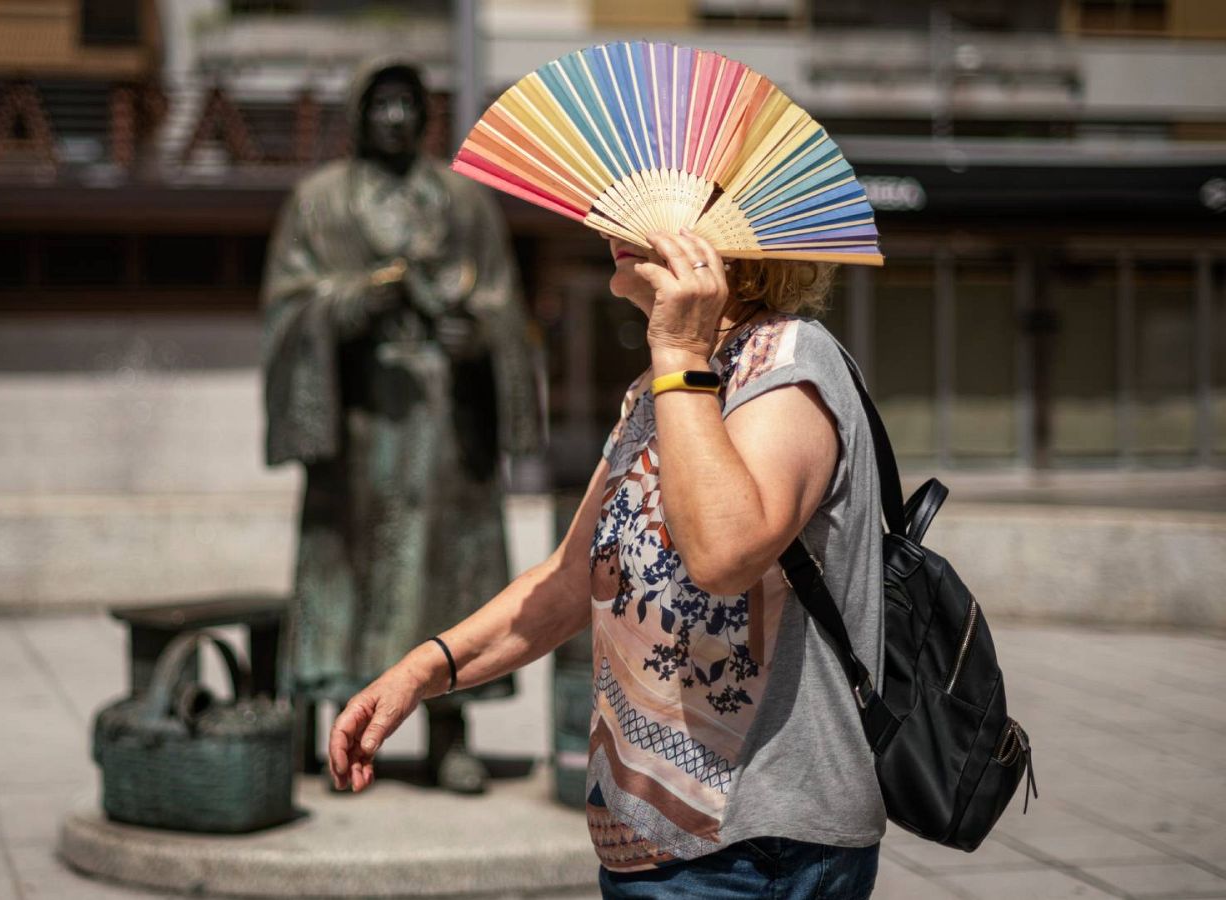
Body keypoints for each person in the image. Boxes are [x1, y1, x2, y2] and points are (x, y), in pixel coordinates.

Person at [329, 228, 885, 898]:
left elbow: (724, 555)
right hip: (650, 848)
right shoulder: (655, 390)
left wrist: (680, 349)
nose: (620, 229)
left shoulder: (789, 360)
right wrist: (420, 673)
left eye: (657, 207)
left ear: (736, 239)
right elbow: (569, 580)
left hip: (752, 852)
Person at [259, 61, 541, 794]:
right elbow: (286, 310)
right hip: (357, 422)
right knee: (343, 573)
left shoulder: (465, 204)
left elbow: (507, 310)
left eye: (406, 104)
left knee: (449, 575)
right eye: (380, 104)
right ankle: (338, 730)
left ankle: (451, 734)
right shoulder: (317, 202)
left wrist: (478, 342)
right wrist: (352, 304)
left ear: (425, 115)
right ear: (358, 114)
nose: (393, 118)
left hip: (445, 424)